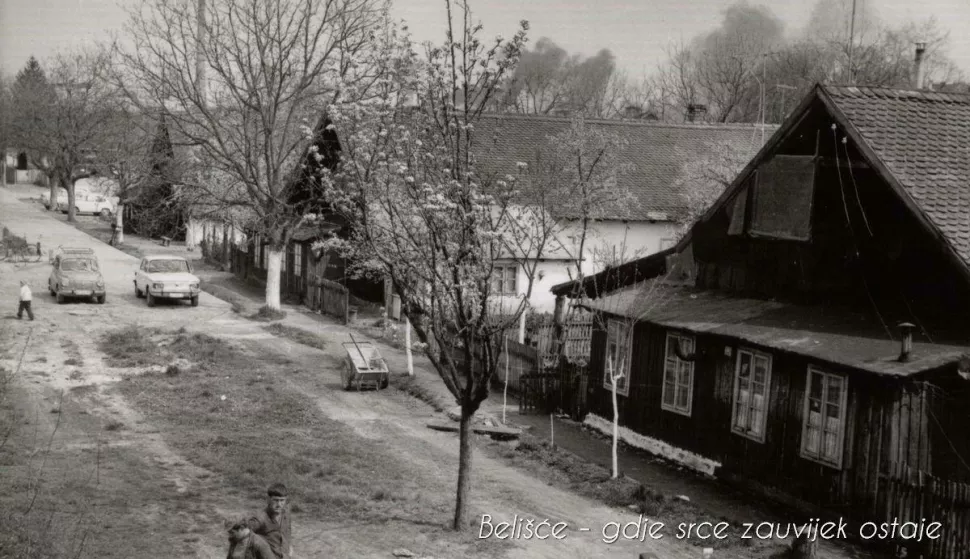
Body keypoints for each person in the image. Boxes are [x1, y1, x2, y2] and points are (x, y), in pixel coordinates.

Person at [247, 483, 292, 559]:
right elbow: (242, 535)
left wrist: (289, 546)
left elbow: (287, 533)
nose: (279, 504)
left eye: (282, 500)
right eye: (275, 500)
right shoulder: (260, 518)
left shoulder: (286, 515)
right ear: (268, 499)